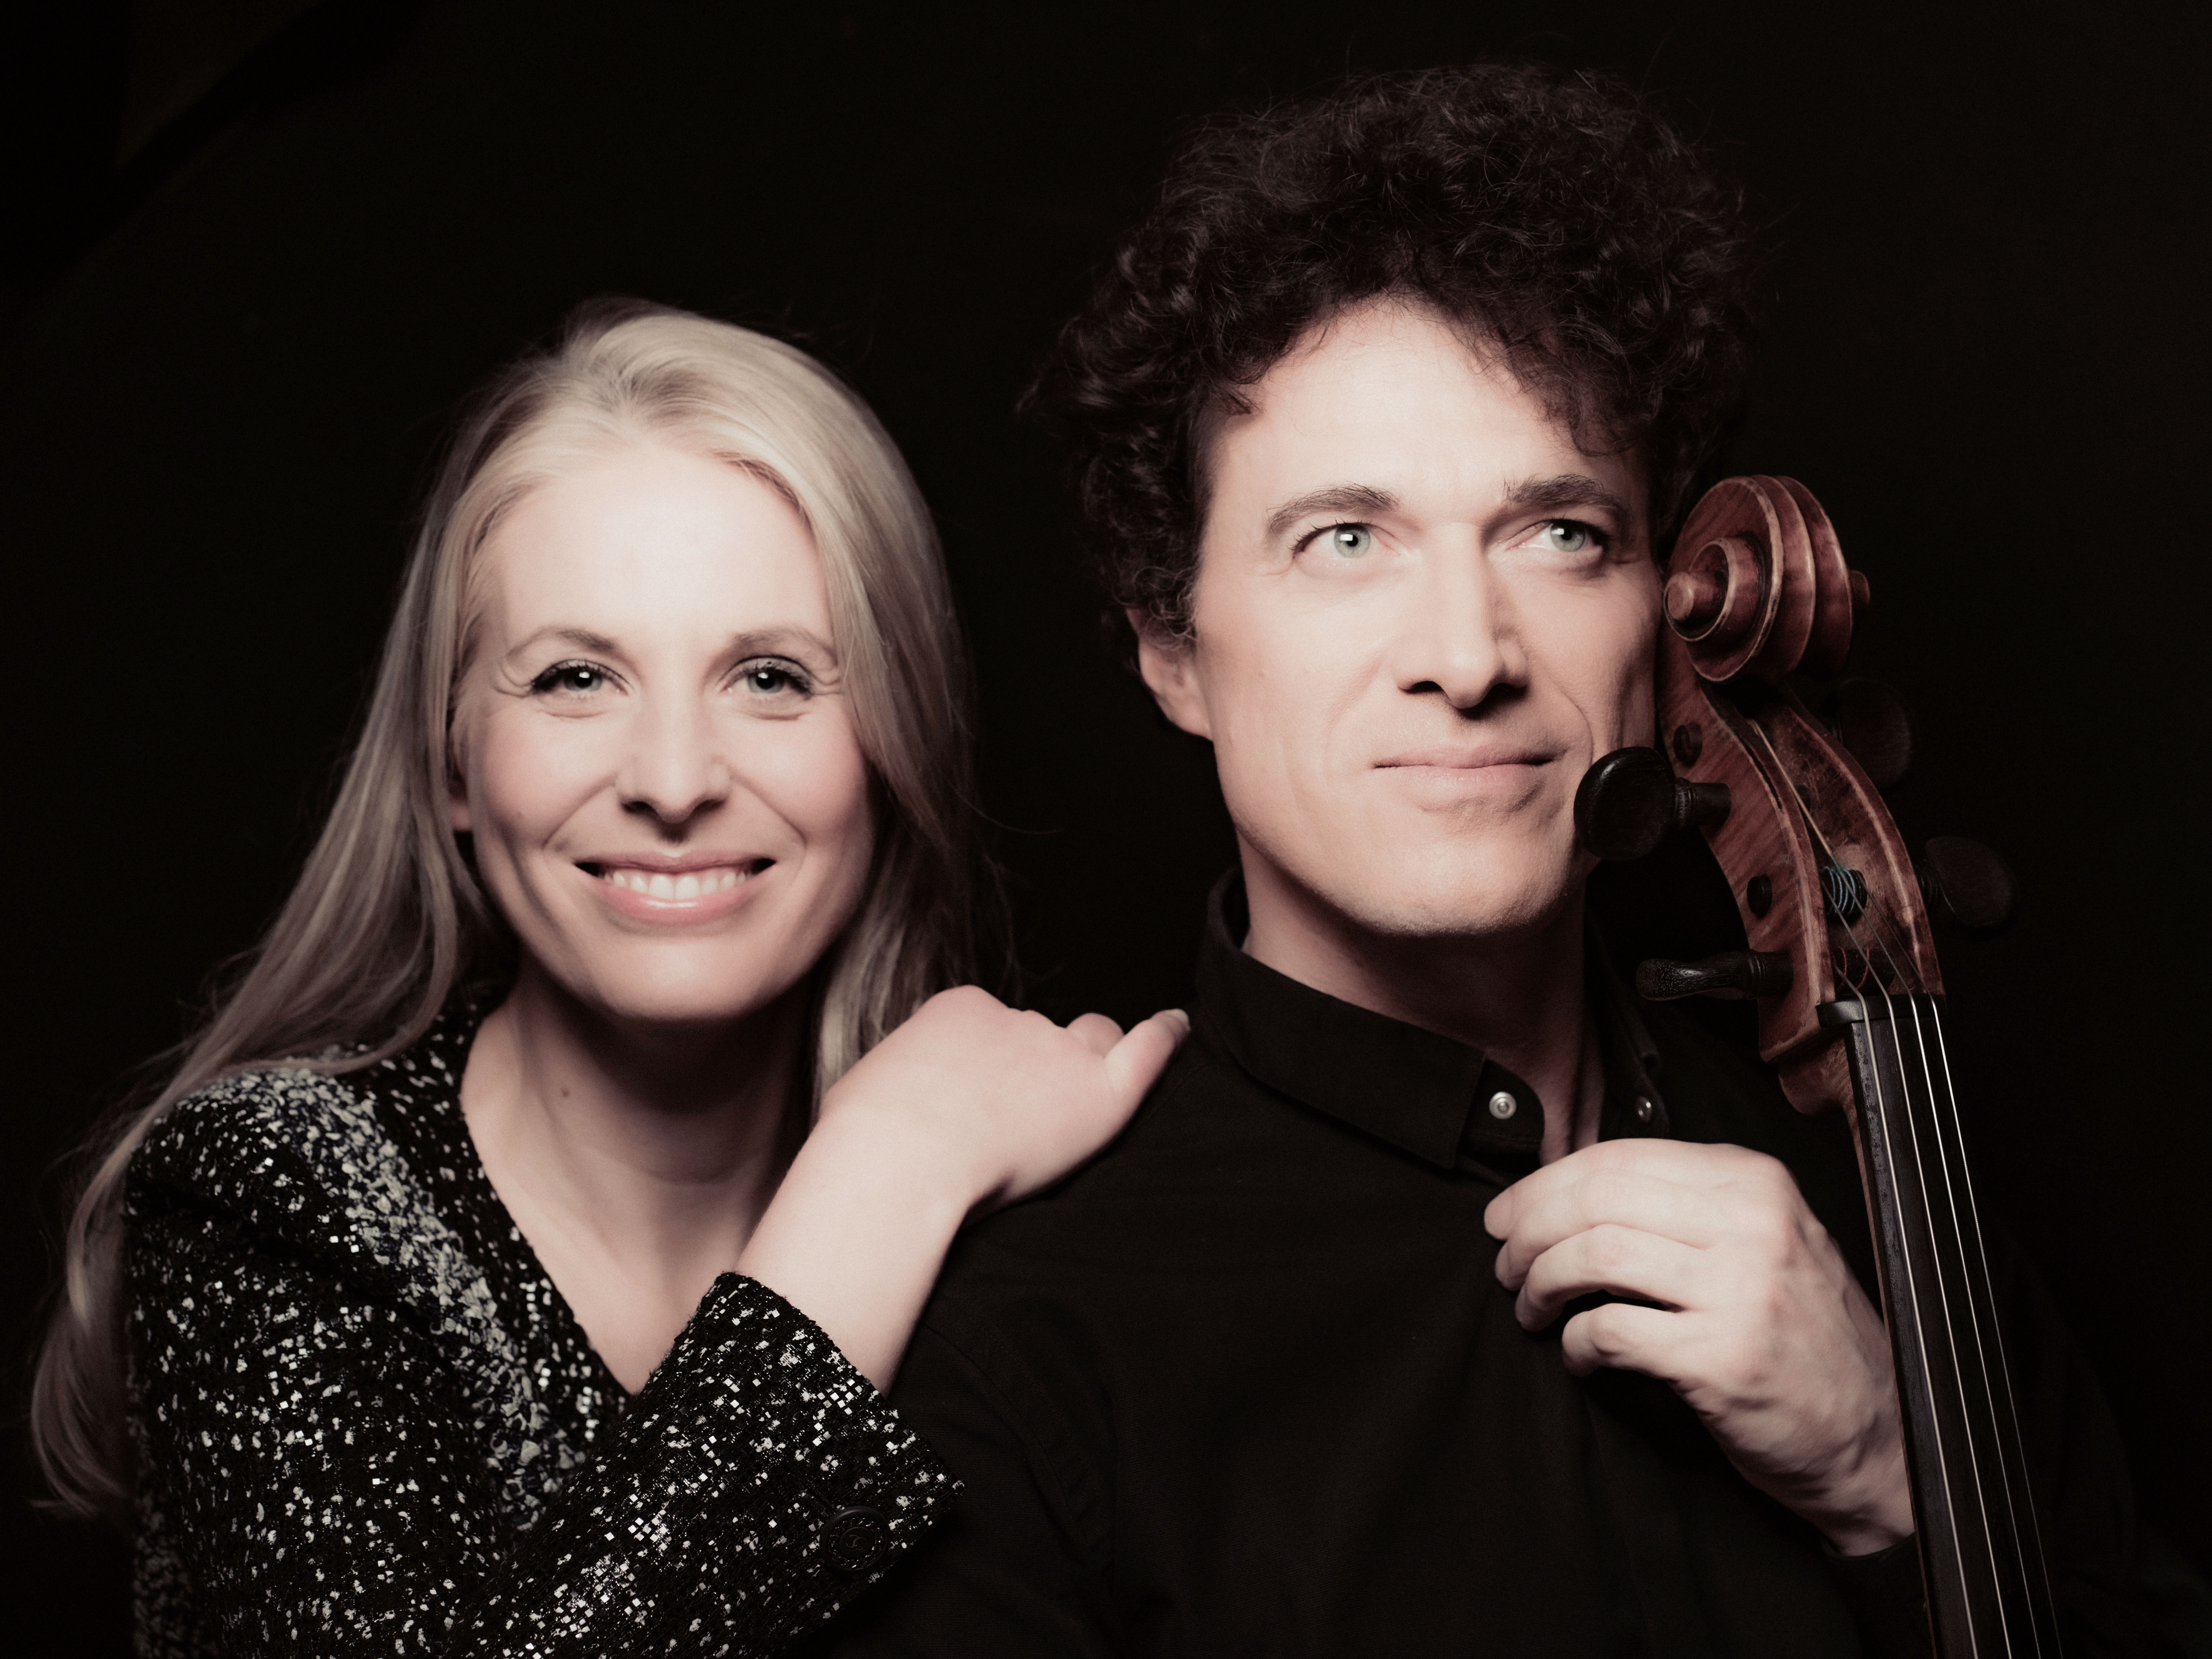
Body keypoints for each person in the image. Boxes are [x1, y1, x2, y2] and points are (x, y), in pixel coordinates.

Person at [823, 62, 2204, 1657]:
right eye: (1347, 541)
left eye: (1562, 535)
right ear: (1172, 646)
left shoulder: (1881, 1200)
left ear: (1663, 610)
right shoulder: (1026, 1342)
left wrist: (1893, 1479)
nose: (1471, 656)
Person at [31, 302, 1188, 1658]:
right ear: (454, 762)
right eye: (578, 678)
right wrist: (882, 1178)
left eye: (772, 677)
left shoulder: (1033, 1230)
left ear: (894, 741)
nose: (676, 781)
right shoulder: (273, 1194)